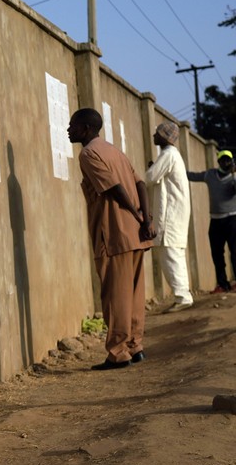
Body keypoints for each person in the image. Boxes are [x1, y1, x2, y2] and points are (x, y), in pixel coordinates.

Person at [67, 108, 155, 370]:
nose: (68, 130)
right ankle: (134, 346)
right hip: (137, 234)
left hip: (114, 234)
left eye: (72, 126)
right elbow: (140, 184)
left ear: (85, 128)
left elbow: (114, 189)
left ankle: (118, 353)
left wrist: (135, 216)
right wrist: (145, 219)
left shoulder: (88, 153)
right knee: (134, 293)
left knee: (116, 296)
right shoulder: (114, 150)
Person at [144, 121, 193, 311]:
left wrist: (151, 169)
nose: (154, 136)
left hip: (170, 215)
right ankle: (183, 295)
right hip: (176, 213)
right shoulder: (172, 155)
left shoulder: (168, 155)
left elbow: (150, 177)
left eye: (157, 133)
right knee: (175, 256)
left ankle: (183, 297)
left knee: (170, 255)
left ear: (164, 137)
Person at [187, 150, 236, 292]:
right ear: (218, 161)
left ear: (232, 162)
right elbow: (192, 176)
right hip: (216, 219)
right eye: (223, 160)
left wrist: (234, 175)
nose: (225, 163)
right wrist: (172, 170)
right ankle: (222, 284)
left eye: (228, 160)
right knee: (217, 253)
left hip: (233, 218)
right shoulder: (210, 174)